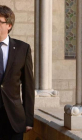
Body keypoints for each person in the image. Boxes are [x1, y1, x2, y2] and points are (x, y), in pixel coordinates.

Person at [0, 5, 35, 140]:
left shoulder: (22, 49)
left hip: (13, 119)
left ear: (9, 25)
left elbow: (28, 86)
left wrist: (29, 119)